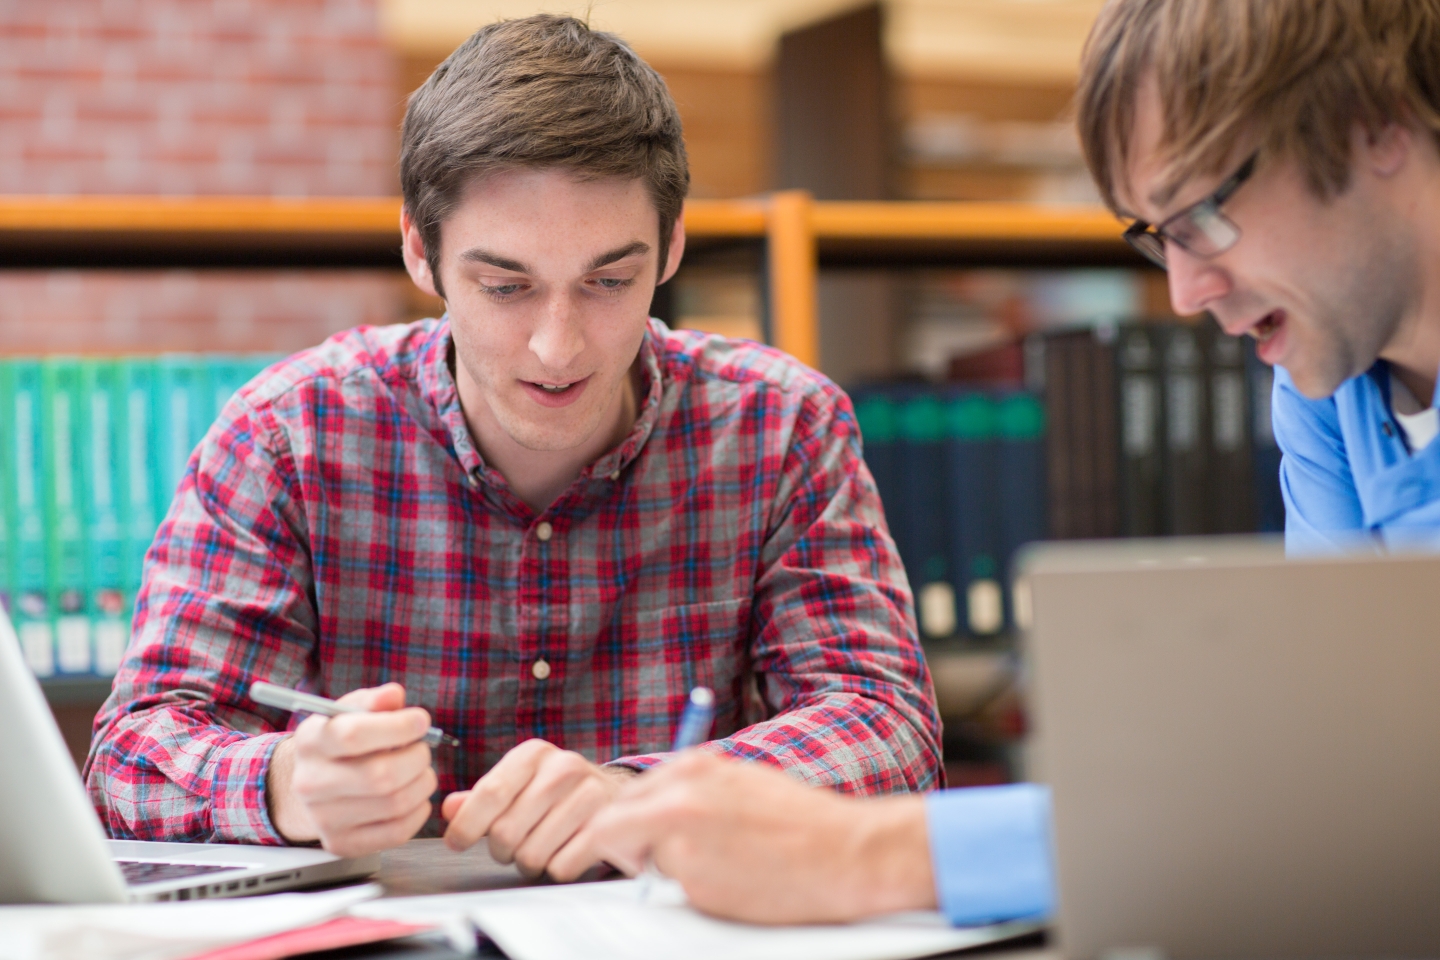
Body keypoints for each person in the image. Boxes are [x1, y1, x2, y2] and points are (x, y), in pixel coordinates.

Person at [578, 0, 1440, 926]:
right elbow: (1337, 776)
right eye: (1156, 237)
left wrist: (878, 856)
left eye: (1201, 217)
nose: (1186, 293)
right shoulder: (1330, 389)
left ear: (1376, 126)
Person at [83, 14, 942, 879]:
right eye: (504, 287)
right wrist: (282, 785)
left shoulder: (782, 428)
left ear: (672, 248)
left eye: (608, 282)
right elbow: (129, 757)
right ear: (422, 253)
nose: (556, 348)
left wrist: (647, 794)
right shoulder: (288, 436)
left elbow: (888, 727)